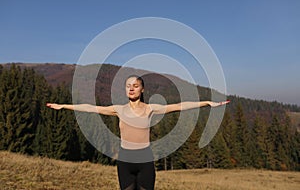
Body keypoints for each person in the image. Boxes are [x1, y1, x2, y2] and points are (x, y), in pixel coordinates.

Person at [47, 75, 229, 190]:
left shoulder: (151, 109)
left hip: (145, 159)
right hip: (125, 159)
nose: (131, 88)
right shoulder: (118, 109)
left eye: (135, 85)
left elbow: (179, 106)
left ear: (142, 89)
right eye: (128, 85)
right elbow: (90, 108)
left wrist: (206, 102)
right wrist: (64, 106)